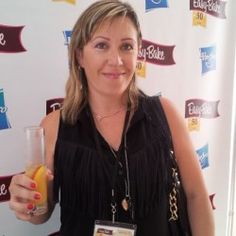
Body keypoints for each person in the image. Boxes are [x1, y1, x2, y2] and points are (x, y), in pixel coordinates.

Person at [8, 0, 215, 235]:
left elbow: (197, 196)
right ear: (79, 57)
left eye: (126, 46)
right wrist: (30, 201)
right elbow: (40, 214)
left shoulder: (165, 114)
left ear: (138, 52)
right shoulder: (54, 126)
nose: (116, 60)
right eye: (101, 46)